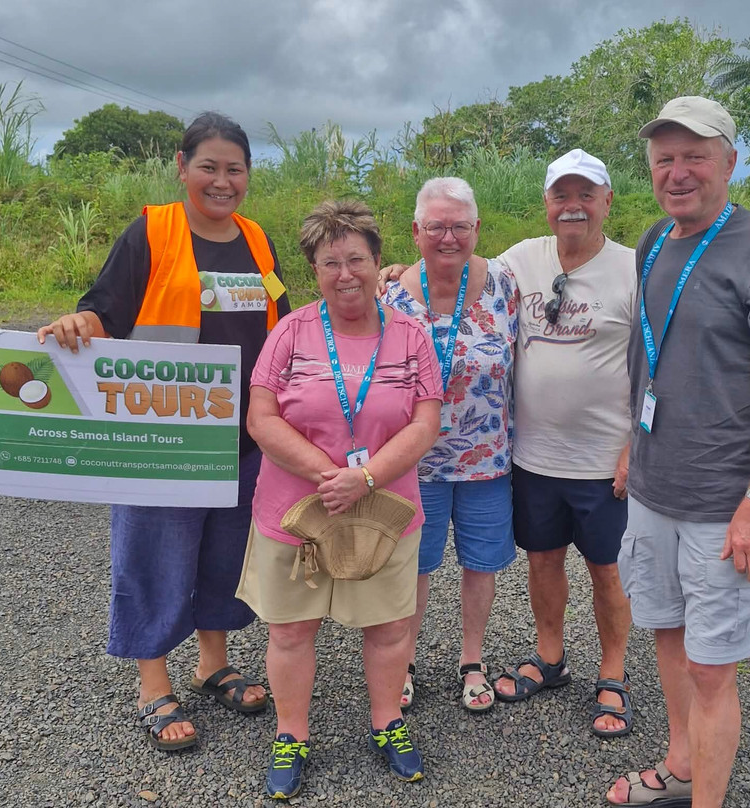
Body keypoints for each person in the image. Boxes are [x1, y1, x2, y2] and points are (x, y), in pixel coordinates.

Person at [37, 113, 289, 751]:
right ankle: (154, 685)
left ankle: (212, 664)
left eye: (236, 168)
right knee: (152, 557)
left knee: (225, 557)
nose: (222, 180)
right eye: (209, 166)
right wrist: (81, 324)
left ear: (248, 176)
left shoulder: (257, 240)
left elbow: (280, 324)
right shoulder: (152, 231)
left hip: (242, 439)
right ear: (182, 167)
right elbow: (106, 308)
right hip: (162, 440)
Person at [606, 97, 750, 808]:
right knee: (665, 632)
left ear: (730, 160)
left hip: (722, 505)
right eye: (664, 158)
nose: (678, 171)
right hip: (653, 490)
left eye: (695, 155)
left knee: (711, 667)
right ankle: (681, 766)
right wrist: (632, 446)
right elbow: (652, 359)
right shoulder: (653, 242)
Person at [240, 200, 442, 799]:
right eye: (331, 262)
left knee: (386, 629)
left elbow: (425, 423)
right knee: (292, 632)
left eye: (357, 258)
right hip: (296, 513)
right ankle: (291, 733)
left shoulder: (410, 337)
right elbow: (261, 416)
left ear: (379, 262)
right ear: (315, 269)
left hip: (383, 514)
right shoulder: (291, 331)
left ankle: (387, 722)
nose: (345, 273)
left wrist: (366, 478)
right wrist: (328, 472)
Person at [490, 149, 637, 738]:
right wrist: (399, 272)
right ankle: (550, 659)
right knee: (543, 560)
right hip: (534, 457)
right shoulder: (523, 259)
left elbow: (662, 362)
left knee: (608, 571)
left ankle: (614, 673)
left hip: (605, 461)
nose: (572, 206)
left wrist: (638, 447)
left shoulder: (636, 267)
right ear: (547, 203)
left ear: (606, 201)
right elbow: (466, 277)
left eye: (585, 195)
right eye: (561, 195)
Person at [380, 177, 518, 713]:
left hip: (487, 458)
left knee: (480, 564)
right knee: (414, 566)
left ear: (476, 229)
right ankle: (405, 660)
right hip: (413, 463)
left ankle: (472, 660)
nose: (448, 237)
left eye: (460, 226)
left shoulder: (504, 283)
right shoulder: (389, 293)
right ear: (416, 232)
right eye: (436, 226)